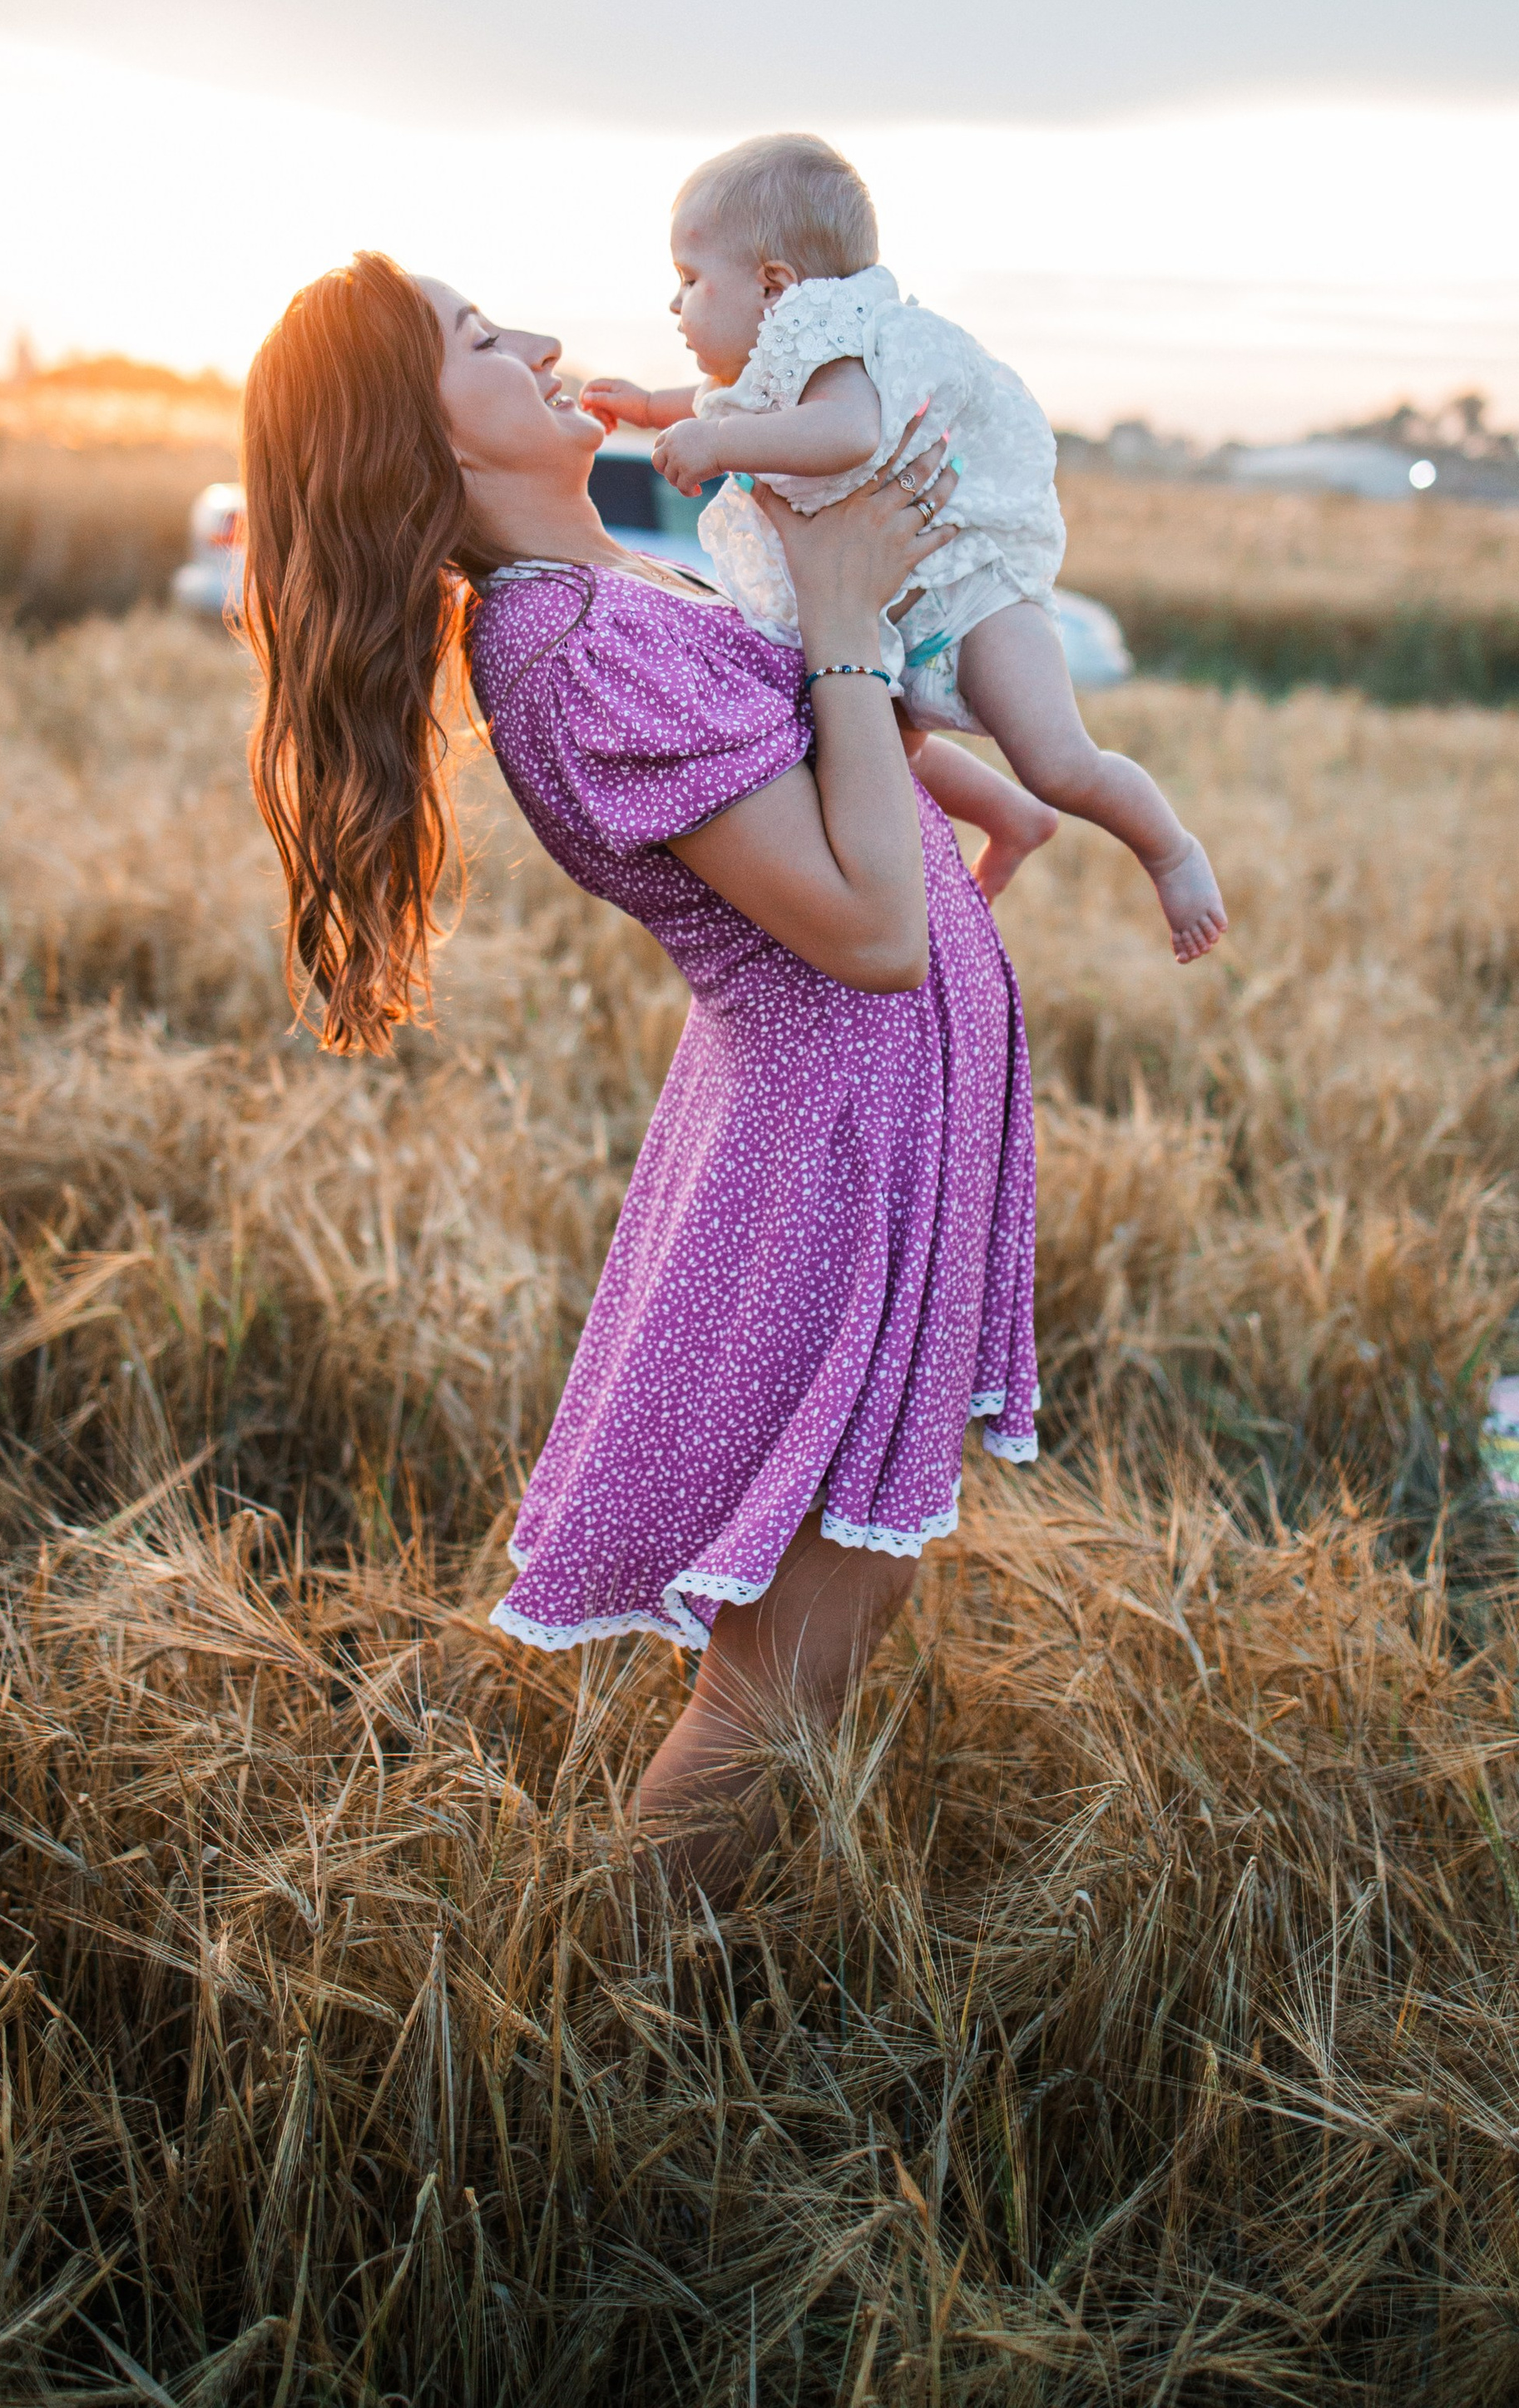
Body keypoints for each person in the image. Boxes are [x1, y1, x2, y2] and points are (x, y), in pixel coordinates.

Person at [238, 251, 1041, 1895]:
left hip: (868, 1128)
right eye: (476, 338)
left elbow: (865, 812)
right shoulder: (573, 652)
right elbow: (872, 931)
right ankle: (607, 2023)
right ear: (425, 444)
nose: (536, 337)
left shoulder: (618, 597)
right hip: (829, 1152)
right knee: (785, 1677)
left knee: (829, 1628)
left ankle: (628, 1997)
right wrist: (840, 623)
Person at [581, 131, 1227, 961]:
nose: (676, 305)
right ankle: (1008, 817)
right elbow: (719, 396)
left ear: (776, 287)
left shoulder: (831, 335)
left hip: (967, 594)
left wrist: (719, 448)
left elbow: (849, 432)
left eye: (690, 279)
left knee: (1056, 759)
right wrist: (646, 407)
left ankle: (1170, 849)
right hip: (893, 603)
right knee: (865, 750)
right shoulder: (781, 359)